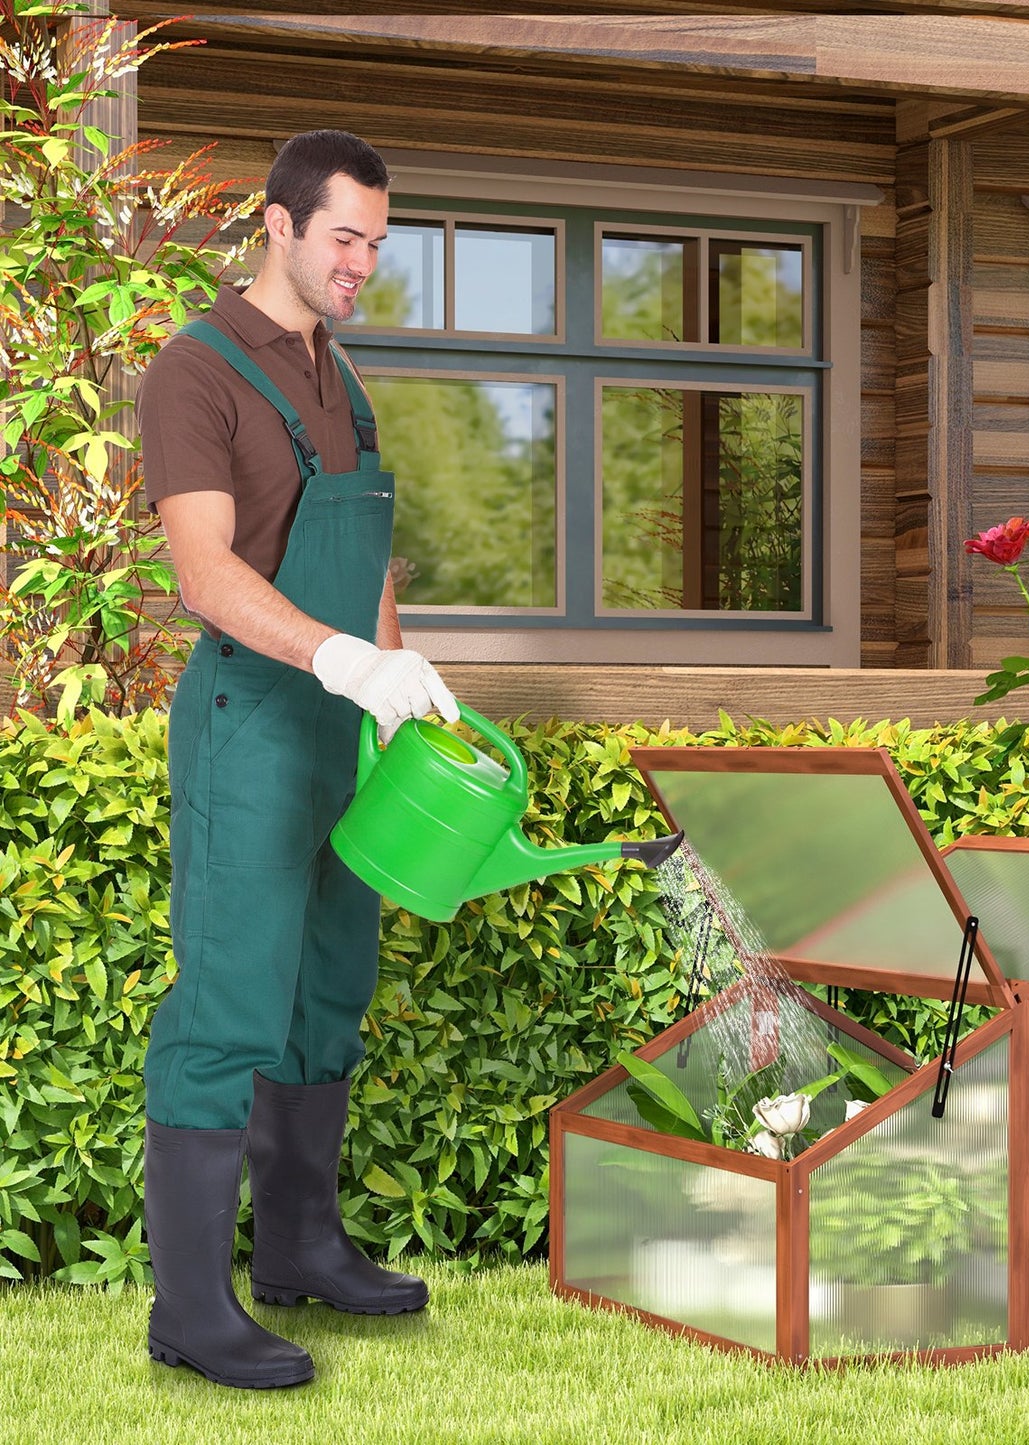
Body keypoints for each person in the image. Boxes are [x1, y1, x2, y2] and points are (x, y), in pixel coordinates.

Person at [137, 129, 459, 1390]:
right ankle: (191, 1307)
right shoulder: (196, 372)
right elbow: (204, 572)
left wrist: (398, 680)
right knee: (230, 1006)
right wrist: (339, 663)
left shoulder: (345, 377)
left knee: (329, 986)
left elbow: (360, 551)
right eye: (344, 237)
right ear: (276, 225)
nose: (362, 262)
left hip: (341, 727)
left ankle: (302, 1248)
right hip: (252, 730)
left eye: (377, 240)